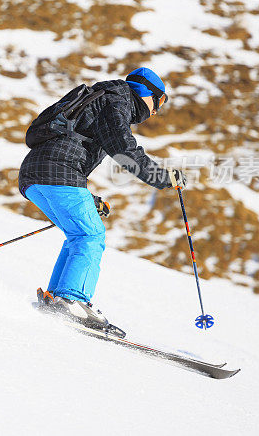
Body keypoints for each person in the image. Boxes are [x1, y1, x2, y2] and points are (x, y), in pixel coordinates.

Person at [18, 67, 186, 336]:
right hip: (56, 172)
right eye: (159, 101)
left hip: (35, 175)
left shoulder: (103, 97)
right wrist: (161, 176)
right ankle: (71, 300)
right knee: (90, 234)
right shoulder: (116, 100)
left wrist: (89, 198)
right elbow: (123, 149)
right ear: (145, 93)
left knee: (78, 234)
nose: (155, 111)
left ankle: (58, 298)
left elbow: (72, 145)